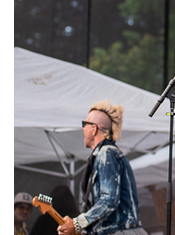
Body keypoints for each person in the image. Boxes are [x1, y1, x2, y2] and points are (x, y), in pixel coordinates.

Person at [57, 100, 147, 235]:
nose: (82, 129)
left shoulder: (107, 153)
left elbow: (109, 200)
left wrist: (77, 223)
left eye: (84, 124)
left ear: (94, 129)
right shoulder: (104, 154)